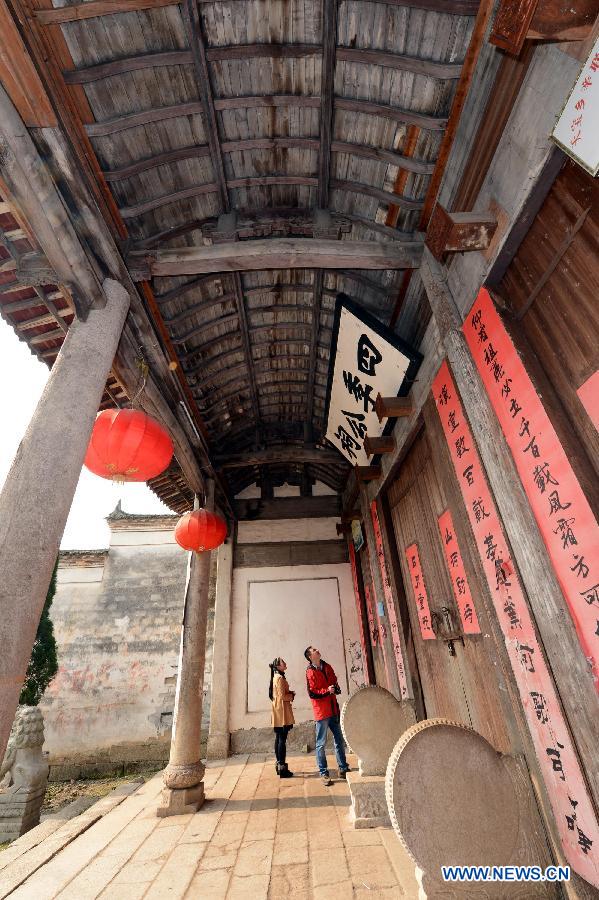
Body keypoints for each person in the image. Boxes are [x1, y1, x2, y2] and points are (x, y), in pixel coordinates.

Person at [304, 645, 350, 786]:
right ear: (310, 657)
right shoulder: (310, 672)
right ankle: (323, 773)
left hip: (333, 708)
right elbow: (313, 692)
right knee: (321, 744)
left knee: (339, 740)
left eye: (317, 649)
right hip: (322, 712)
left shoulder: (327, 666)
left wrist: (334, 688)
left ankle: (343, 768)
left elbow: (334, 681)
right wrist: (327, 690)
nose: (317, 650)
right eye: (314, 650)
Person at [269, 657, 295, 778]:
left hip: (279, 710)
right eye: (283, 662)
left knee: (279, 738)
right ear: (278, 666)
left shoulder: (277, 676)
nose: (285, 663)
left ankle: (279, 765)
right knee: (281, 739)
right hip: (281, 711)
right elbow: (282, 696)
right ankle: (282, 767)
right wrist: (291, 695)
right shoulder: (279, 678)